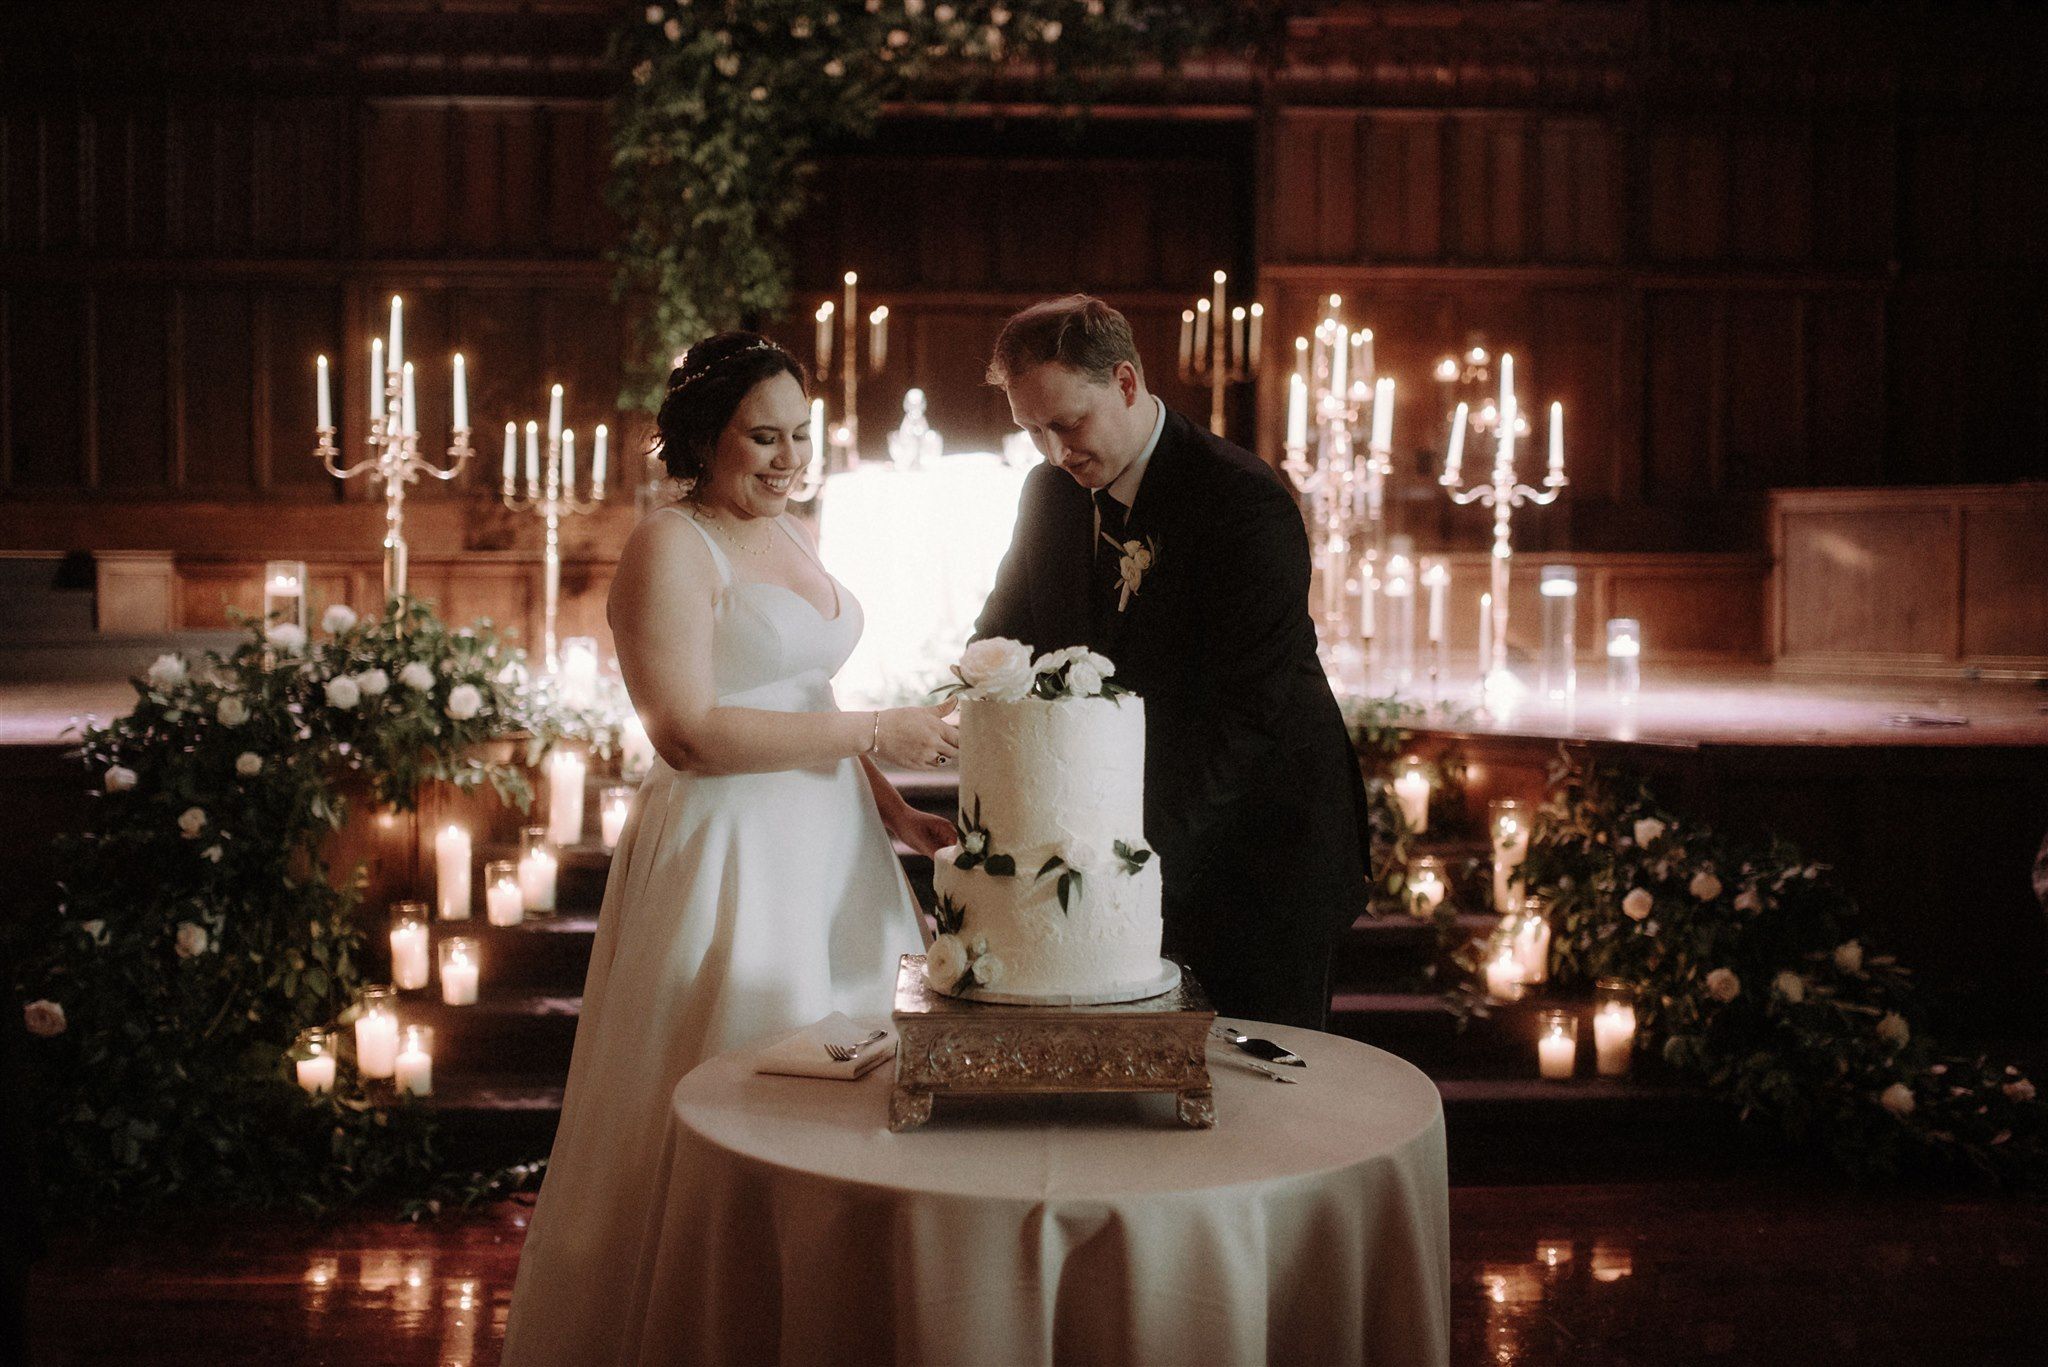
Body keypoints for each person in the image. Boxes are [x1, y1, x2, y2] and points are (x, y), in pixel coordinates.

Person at [501, 332, 957, 1366]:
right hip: (730, 850)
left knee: (852, 1090)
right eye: (764, 436)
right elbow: (688, 731)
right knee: (736, 1084)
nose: (789, 458)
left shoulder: (791, 533)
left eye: (801, 435)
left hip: (834, 846)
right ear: (704, 437)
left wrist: (889, 807)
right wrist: (877, 730)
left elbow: (808, 691)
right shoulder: (671, 545)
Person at [975, 295, 1370, 1031]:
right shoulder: (1049, 495)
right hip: (1122, 848)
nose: (1056, 452)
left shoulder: (1243, 503)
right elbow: (1003, 637)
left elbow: (1244, 719)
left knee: (1258, 1099)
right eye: (1032, 431)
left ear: (1125, 382)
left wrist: (1135, 870)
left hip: (1262, 855)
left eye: (1067, 422)